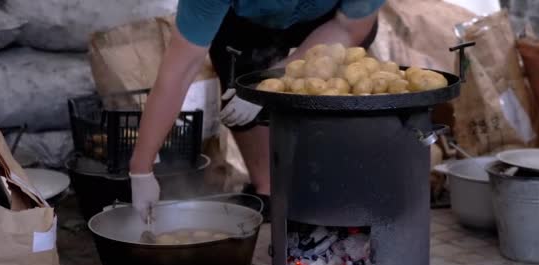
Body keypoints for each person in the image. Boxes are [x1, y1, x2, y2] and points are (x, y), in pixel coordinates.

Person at [129, 0, 385, 222]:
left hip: (331, 24)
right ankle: (268, 190)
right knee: (237, 88)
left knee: (336, 84)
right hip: (247, 25)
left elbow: (349, 28)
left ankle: (336, 189)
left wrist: (270, 82)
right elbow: (180, 69)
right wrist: (141, 169)